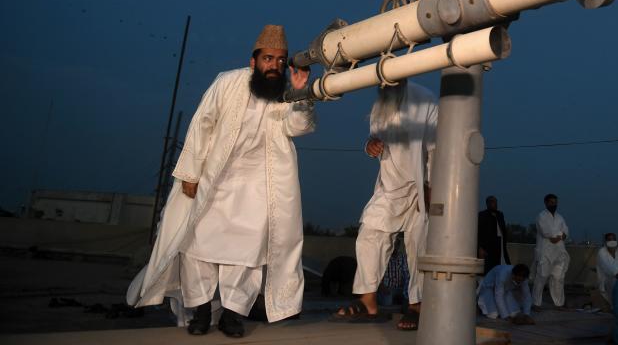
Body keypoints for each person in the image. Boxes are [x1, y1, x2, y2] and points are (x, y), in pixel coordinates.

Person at [126, 25, 315, 338]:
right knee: (197, 247)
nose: (275, 66)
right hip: (214, 182)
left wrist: (301, 94)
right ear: (253, 61)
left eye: (281, 61)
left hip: (259, 188)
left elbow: (299, 128)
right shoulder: (227, 82)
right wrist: (190, 172)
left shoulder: (285, 93)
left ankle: (232, 315)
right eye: (269, 59)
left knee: (247, 255)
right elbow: (202, 124)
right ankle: (200, 311)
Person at [334, 80, 437, 331]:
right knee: (370, 233)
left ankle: (417, 305)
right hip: (390, 186)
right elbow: (375, 139)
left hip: (420, 187)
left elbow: (438, 148)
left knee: (418, 246)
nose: (385, 84)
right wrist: (370, 146)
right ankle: (368, 300)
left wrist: (432, 187)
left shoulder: (426, 100)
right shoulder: (381, 103)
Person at [532, 193, 570, 308]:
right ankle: (536, 303)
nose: (554, 204)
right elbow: (546, 233)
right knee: (542, 277)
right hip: (545, 252)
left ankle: (559, 303)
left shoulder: (560, 217)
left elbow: (566, 231)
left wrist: (562, 235)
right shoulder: (541, 216)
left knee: (558, 278)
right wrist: (559, 236)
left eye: (555, 202)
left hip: (559, 251)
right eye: (552, 202)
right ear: (546, 203)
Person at [478, 195, 511, 274]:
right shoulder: (482, 215)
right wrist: (480, 247)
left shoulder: (500, 214)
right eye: (493, 202)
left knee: (502, 266)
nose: (495, 204)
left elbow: (503, 230)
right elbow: (479, 231)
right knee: (488, 269)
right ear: (488, 203)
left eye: (496, 202)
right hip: (488, 246)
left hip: (500, 245)